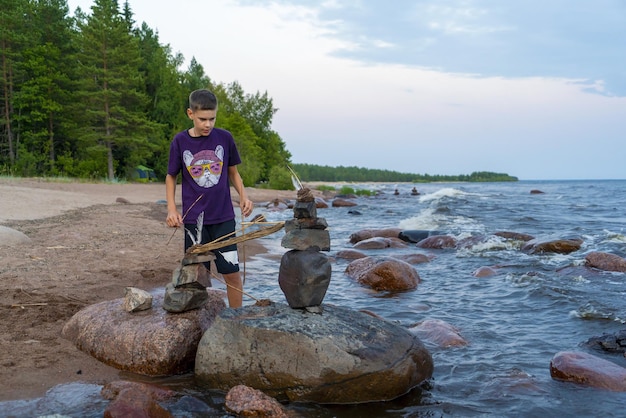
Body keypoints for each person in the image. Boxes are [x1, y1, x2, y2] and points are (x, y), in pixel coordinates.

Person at [165, 89, 253, 308]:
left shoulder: (224, 138)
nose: (208, 124)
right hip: (194, 222)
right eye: (202, 119)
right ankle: (197, 320)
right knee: (196, 276)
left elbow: (233, 172)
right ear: (190, 114)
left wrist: (244, 196)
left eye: (212, 118)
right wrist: (171, 209)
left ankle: (236, 319)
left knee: (231, 273)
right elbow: (171, 176)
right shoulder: (180, 141)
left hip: (224, 219)